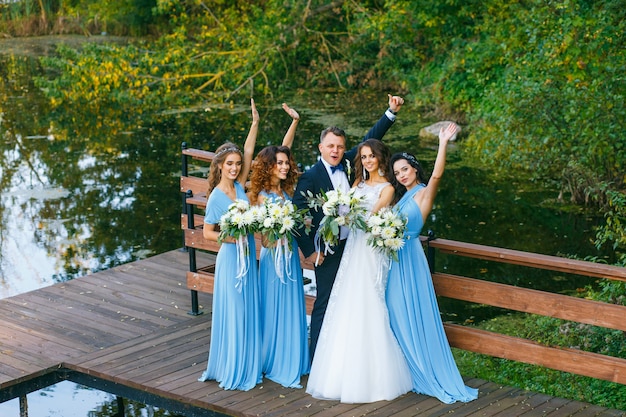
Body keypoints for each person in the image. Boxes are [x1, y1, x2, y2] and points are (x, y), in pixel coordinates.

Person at [293, 94, 405, 361]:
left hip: (357, 245)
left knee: (356, 300)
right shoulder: (310, 176)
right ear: (320, 147)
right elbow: (296, 215)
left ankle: (349, 357)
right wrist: (310, 251)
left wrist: (390, 112)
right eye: (330, 146)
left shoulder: (347, 163)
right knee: (325, 302)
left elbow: (372, 139)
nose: (335, 151)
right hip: (329, 249)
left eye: (340, 147)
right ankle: (317, 358)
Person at [306, 139, 412, 403]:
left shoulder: (387, 188)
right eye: (363, 157)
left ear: (380, 158)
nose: (367, 161)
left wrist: (345, 214)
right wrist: (334, 212)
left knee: (368, 299)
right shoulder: (357, 184)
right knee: (346, 300)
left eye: (371, 156)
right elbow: (348, 210)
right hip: (352, 249)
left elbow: (370, 219)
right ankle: (341, 370)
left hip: (370, 251)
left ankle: (374, 375)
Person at [386, 123, 479, 403]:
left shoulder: (424, 193)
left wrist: (442, 143)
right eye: (397, 172)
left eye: (405, 169)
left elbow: (438, 173)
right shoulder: (400, 198)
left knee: (412, 311)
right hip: (394, 259)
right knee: (395, 312)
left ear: (414, 168)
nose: (401, 175)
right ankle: (404, 371)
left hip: (411, 258)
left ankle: (423, 369)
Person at [197, 98, 262, 391]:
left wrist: (255, 123)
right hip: (231, 258)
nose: (235, 168)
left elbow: (248, 151)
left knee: (248, 310)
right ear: (220, 166)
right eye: (230, 164)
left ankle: (248, 361)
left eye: (237, 164)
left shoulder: (239, 186)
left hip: (249, 256)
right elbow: (207, 233)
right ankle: (232, 366)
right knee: (234, 311)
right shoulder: (215, 198)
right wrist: (231, 236)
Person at [248, 104, 310, 388]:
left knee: (292, 306)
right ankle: (274, 360)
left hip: (291, 259)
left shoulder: (285, 190)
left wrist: (295, 122)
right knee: (274, 308)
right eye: (280, 164)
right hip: (273, 258)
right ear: (269, 167)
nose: (285, 166)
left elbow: (283, 149)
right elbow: (263, 235)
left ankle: (294, 359)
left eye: (287, 163)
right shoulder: (259, 197)